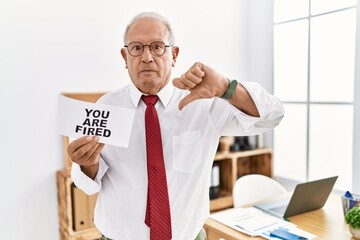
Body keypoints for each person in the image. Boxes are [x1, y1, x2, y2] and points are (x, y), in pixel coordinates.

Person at [68, 12, 284, 240]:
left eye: (157, 46)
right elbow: (88, 184)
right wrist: (88, 164)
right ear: (125, 57)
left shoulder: (203, 103)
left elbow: (273, 116)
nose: (147, 57)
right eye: (137, 48)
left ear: (174, 55)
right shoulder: (106, 107)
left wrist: (225, 87)